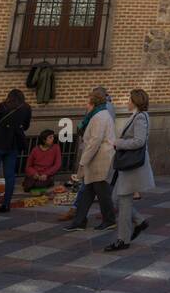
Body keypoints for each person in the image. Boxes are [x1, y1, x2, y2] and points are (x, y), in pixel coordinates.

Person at [106, 89, 154, 252]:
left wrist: (118, 143)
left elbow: (139, 141)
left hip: (133, 165)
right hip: (129, 166)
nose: (127, 102)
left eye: (129, 99)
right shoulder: (137, 116)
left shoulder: (140, 117)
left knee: (123, 201)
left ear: (135, 101)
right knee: (116, 198)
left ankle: (122, 239)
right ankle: (140, 222)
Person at [65, 88, 117, 232]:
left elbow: (95, 141)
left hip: (99, 160)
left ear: (93, 102)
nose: (86, 105)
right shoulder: (99, 115)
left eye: (87, 102)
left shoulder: (100, 116)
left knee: (103, 193)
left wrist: (83, 161)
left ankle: (109, 220)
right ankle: (79, 221)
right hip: (96, 160)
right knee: (88, 191)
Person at [0, 88, 32, 214]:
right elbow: (26, 126)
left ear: (9, 96)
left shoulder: (3, 106)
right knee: (10, 176)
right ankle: (6, 205)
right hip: (12, 145)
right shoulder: (26, 108)